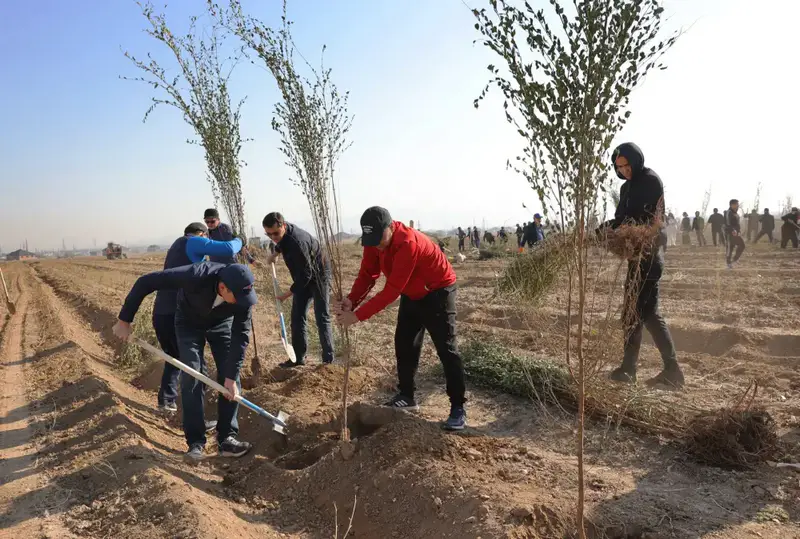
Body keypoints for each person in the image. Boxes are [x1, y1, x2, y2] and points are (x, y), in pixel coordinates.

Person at [335, 206, 467, 430]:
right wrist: (351, 300)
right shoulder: (373, 242)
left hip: (437, 291)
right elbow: (368, 273)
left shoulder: (408, 243)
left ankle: (457, 407)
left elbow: (391, 291)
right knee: (404, 344)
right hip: (411, 292)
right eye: (371, 239)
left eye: (379, 238)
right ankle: (407, 396)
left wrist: (357, 316)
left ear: (390, 227)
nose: (376, 244)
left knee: (446, 348)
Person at [113, 262, 257, 460]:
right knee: (192, 374)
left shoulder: (242, 299)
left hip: (221, 324)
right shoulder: (195, 275)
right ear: (223, 287)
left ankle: (227, 440)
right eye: (238, 297)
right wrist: (124, 320)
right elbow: (145, 282)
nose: (242, 302)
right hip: (189, 323)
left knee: (230, 375)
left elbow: (241, 337)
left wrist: (231, 378)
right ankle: (196, 442)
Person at [603, 142, 684, 388]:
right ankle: (640, 369)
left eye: (627, 165)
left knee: (640, 312)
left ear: (636, 161)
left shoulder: (650, 181)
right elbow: (621, 219)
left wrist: (620, 230)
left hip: (649, 256)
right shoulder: (626, 187)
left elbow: (642, 220)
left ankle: (658, 370)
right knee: (639, 313)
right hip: (635, 258)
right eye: (619, 167)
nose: (624, 170)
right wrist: (604, 230)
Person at [154, 222, 243, 414]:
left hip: (162, 309)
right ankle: (190, 415)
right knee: (194, 368)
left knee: (176, 356)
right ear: (202, 234)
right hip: (176, 311)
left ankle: (166, 400)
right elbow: (228, 248)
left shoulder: (176, 246)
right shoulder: (194, 242)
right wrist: (239, 239)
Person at [263, 212, 334, 367]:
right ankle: (298, 358)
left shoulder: (297, 242)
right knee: (297, 317)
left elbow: (306, 275)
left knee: (321, 317)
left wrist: (286, 294)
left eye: (275, 233)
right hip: (304, 275)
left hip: (319, 276)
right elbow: (281, 243)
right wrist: (274, 254)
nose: (273, 237)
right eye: (268, 234)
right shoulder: (283, 235)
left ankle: (328, 361)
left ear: (283, 225)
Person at [724, 199, 745, 268]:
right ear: (732, 205)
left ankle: (733, 260)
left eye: (738, 205)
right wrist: (733, 230)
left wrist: (738, 231)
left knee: (739, 246)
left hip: (735, 233)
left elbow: (736, 223)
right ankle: (729, 263)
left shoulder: (735, 213)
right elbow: (727, 224)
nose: (738, 206)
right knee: (731, 248)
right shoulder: (728, 212)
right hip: (730, 233)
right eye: (736, 205)